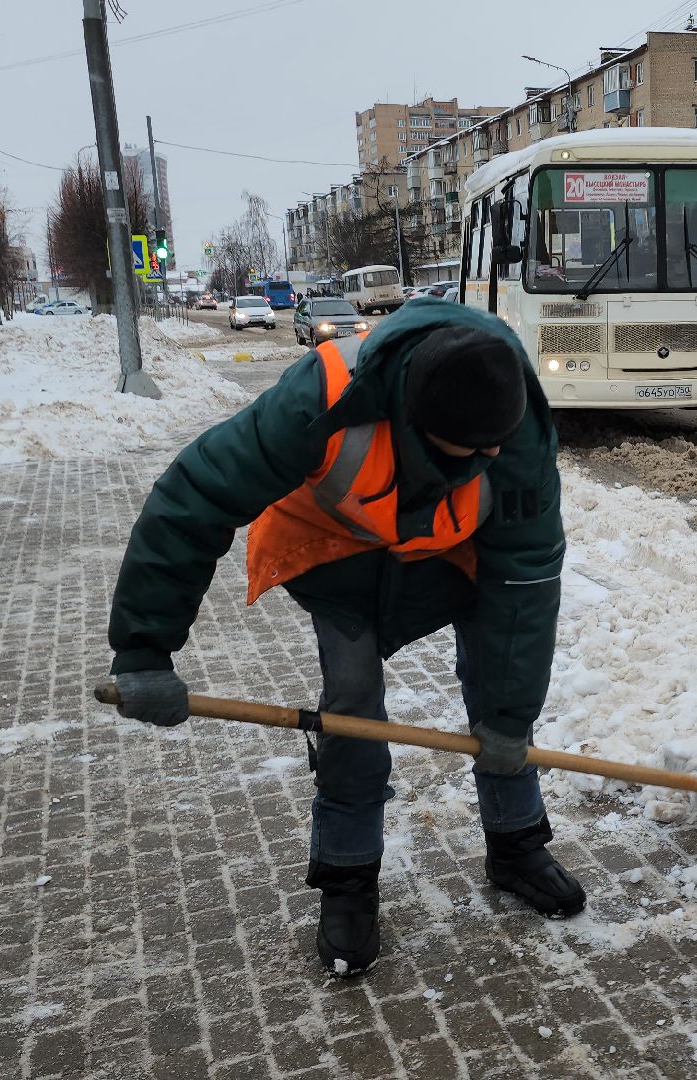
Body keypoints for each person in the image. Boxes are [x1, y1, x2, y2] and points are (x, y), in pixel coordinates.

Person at [105, 302, 581, 977]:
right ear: (416, 423)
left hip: (450, 552)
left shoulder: (513, 428)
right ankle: (348, 878)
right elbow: (195, 496)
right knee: (353, 698)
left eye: (497, 444)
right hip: (335, 551)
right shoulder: (320, 399)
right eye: (474, 451)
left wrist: (511, 718)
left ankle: (517, 842)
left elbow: (526, 580)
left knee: (498, 688)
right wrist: (144, 649)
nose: (494, 458)